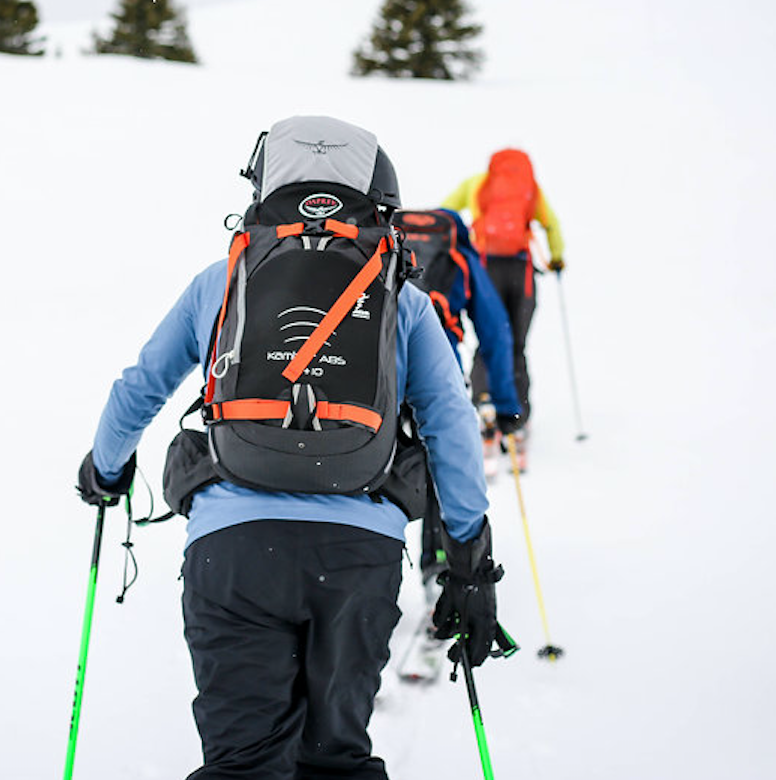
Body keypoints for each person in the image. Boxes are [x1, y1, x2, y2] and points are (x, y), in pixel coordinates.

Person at [76, 115, 504, 780]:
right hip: (360, 555)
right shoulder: (404, 298)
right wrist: (469, 561)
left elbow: (141, 388)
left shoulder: (221, 283)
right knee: (334, 758)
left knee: (242, 762)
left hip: (234, 549)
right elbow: (450, 424)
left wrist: (105, 471)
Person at [394, 206, 522, 585]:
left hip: (378, 373)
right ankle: (440, 559)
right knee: (440, 457)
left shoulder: (386, 249)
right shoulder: (460, 258)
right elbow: (496, 332)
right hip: (436, 373)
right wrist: (506, 405)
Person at [442, 148, 564, 458]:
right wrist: (556, 259)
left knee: (489, 341)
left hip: (484, 271)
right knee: (516, 345)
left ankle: (483, 406)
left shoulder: (477, 183)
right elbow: (551, 224)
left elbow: (444, 213)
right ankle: (518, 418)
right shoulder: (530, 189)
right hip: (520, 273)